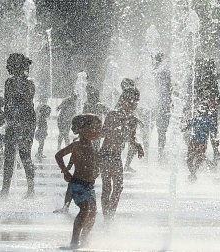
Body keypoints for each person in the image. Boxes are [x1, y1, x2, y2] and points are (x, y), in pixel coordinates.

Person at [55, 114, 102, 249]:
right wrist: (66, 171)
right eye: (93, 127)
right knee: (85, 209)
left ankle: (84, 239)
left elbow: (91, 161)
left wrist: (97, 169)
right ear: (81, 129)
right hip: (78, 184)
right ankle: (74, 241)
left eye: (98, 127)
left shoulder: (93, 145)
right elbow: (58, 155)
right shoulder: (77, 145)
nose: (97, 130)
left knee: (92, 213)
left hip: (90, 186)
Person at [99, 87, 144, 220]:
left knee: (118, 188)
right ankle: (106, 216)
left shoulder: (133, 120)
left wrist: (138, 145)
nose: (133, 105)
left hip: (117, 156)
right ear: (123, 100)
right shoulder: (112, 114)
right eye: (131, 102)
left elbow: (131, 136)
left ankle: (110, 215)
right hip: (106, 155)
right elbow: (102, 133)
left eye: (135, 102)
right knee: (107, 187)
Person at [0, 53, 36, 198]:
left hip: (26, 121)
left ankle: (31, 190)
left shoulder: (29, 82)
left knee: (25, 154)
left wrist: (16, 118)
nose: (8, 68)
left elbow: (27, 103)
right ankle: (5, 190)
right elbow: (7, 104)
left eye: (10, 65)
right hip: (13, 121)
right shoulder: (9, 82)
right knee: (9, 154)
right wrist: (6, 120)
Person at [183, 105, 217, 182]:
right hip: (202, 142)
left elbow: (186, 125)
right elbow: (214, 129)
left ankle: (193, 173)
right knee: (199, 158)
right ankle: (194, 172)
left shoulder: (197, 119)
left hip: (194, 141)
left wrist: (184, 127)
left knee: (189, 159)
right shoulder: (208, 120)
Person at [153, 53, 172, 163]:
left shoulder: (150, 70)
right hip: (164, 104)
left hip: (153, 104)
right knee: (162, 131)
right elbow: (170, 87)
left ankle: (146, 151)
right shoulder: (166, 71)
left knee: (146, 130)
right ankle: (160, 152)